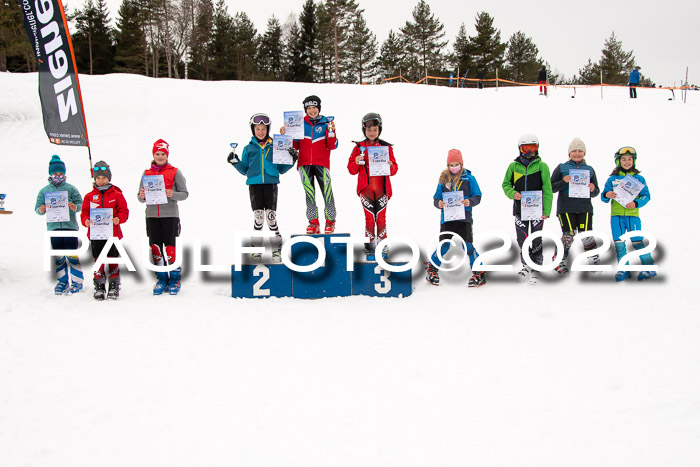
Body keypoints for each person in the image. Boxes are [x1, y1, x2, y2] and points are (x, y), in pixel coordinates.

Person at [228, 113, 297, 263]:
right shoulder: (249, 148)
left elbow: (282, 168)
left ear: (268, 129)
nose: (260, 132)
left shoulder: (275, 146)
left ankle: (276, 250)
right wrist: (235, 162)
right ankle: (256, 250)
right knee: (259, 217)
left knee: (271, 217)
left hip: (271, 183)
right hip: (254, 185)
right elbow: (245, 169)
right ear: (253, 130)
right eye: (257, 129)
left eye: (263, 129)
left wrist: (292, 159)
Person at [425, 149, 484, 287]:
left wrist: (470, 201)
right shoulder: (443, 178)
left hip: (464, 219)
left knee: (468, 246)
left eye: (456, 164)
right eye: (451, 165)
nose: (453, 167)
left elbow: (478, 196)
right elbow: (436, 198)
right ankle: (432, 270)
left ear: (461, 164)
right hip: (447, 219)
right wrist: (438, 203)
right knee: (444, 245)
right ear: (447, 165)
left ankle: (478, 272)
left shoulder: (470, 178)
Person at [280, 95, 338, 234]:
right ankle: (313, 222)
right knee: (309, 193)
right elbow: (295, 146)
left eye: (314, 107)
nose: (312, 110)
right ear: (305, 109)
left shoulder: (326, 123)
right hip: (304, 163)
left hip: (321, 163)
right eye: (309, 108)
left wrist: (331, 132)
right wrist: (285, 135)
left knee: (327, 191)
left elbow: (332, 145)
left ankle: (330, 221)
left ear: (319, 108)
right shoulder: (298, 123)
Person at [137, 139, 189, 295]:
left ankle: (174, 278)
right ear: (153, 155)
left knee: (171, 248)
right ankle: (161, 279)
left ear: (167, 155)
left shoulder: (174, 171)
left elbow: (185, 194)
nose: (160, 157)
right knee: (156, 249)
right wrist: (142, 195)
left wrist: (172, 194)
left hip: (170, 215)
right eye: (157, 154)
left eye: (162, 154)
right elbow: (140, 197)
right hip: (152, 216)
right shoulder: (146, 173)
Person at [501, 134, 553, 284]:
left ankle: (536, 267)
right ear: (520, 149)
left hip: (537, 210)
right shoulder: (513, 166)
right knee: (522, 237)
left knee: (536, 238)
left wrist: (546, 211)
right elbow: (505, 184)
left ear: (537, 148)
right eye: (526, 148)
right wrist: (513, 194)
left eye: (532, 148)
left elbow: (547, 190)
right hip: (520, 209)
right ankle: (526, 265)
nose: (529, 151)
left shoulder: (542, 166)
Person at [347, 112, 399, 260]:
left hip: (382, 190)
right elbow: (351, 170)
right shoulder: (359, 147)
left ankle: (382, 244)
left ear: (379, 130)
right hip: (366, 190)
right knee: (369, 218)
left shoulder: (386, 147)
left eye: (375, 129)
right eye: (369, 129)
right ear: (364, 130)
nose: (371, 132)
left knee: (381, 218)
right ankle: (370, 245)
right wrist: (356, 161)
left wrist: (390, 165)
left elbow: (395, 169)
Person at [601, 146, 655, 281]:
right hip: (616, 217)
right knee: (619, 243)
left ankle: (649, 268)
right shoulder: (612, 179)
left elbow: (646, 196)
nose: (626, 162)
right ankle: (624, 269)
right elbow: (603, 197)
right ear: (618, 161)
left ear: (634, 161)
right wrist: (608, 194)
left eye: (629, 159)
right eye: (623, 159)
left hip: (633, 216)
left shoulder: (639, 178)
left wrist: (636, 203)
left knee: (637, 241)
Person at [549, 138, 600, 274]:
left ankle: (593, 261)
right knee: (568, 235)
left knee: (586, 234)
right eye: (574, 151)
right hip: (566, 206)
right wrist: (563, 182)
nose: (577, 153)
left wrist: (592, 188)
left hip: (585, 207)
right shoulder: (562, 167)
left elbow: (596, 192)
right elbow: (551, 187)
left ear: (584, 153)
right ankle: (558, 260)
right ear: (569, 153)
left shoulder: (589, 169)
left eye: (580, 151)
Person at [34, 155, 84, 294]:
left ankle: (77, 281)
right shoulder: (44, 191)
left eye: (61, 173)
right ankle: (62, 281)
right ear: (50, 174)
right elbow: (37, 208)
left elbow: (81, 203)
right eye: (56, 173)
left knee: (72, 254)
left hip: (70, 227)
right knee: (58, 255)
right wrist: (41, 209)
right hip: (54, 228)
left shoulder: (70, 188)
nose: (58, 176)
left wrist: (75, 207)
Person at [80, 161, 129, 300]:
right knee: (98, 258)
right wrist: (86, 221)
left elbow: (124, 211)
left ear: (109, 178)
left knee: (112, 257)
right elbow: (84, 213)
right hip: (96, 234)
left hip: (113, 234)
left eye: (104, 178)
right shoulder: (89, 196)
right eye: (98, 178)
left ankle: (114, 284)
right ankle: (99, 284)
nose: (101, 181)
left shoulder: (117, 194)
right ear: (95, 179)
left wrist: (119, 219)